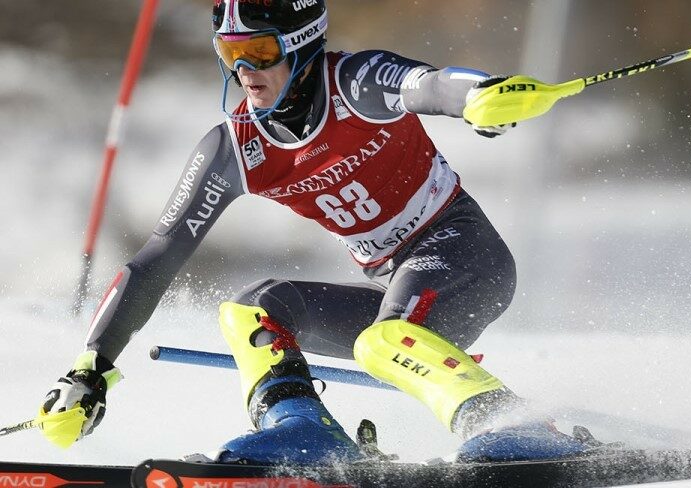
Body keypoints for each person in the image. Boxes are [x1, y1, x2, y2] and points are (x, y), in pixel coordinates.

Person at [38, 0, 589, 463]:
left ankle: (517, 427)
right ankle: (302, 432)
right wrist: (91, 367)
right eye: (231, 53)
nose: (244, 70)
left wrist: (478, 97)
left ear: (301, 47)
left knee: (386, 339)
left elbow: (430, 84)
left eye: (260, 51)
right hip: (395, 286)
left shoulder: (355, 84)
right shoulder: (235, 149)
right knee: (252, 310)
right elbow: (159, 254)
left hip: (466, 254)